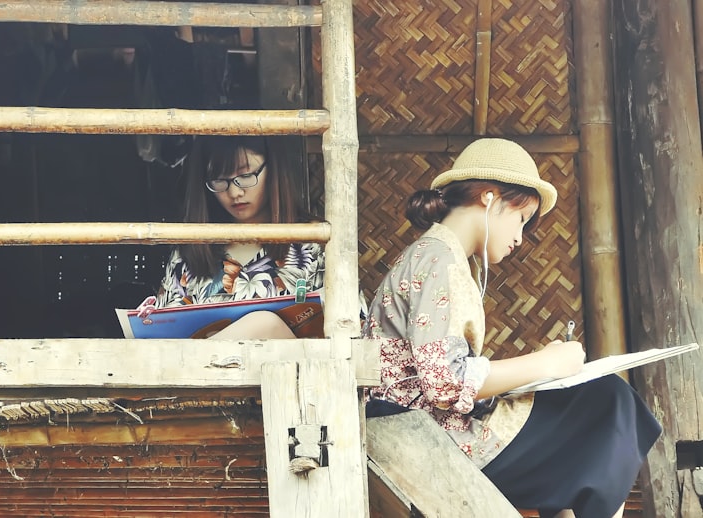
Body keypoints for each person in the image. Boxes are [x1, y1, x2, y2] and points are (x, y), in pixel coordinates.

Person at [363, 138, 661, 518]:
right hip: (426, 436)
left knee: (603, 409)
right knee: (608, 403)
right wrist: (548, 364)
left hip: (430, 425)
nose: (520, 238)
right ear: (489, 197)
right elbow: (443, 383)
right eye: (520, 219)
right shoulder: (438, 258)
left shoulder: (439, 255)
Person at [154, 135, 323, 339]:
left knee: (265, 324)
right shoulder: (188, 252)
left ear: (273, 169)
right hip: (202, 370)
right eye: (219, 180)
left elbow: (350, 331)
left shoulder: (314, 241)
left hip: (290, 369)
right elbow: (163, 336)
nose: (234, 192)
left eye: (245, 175)